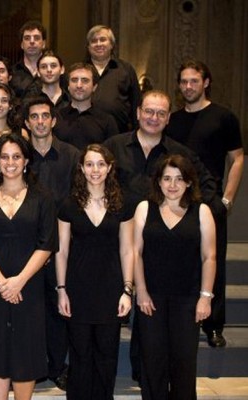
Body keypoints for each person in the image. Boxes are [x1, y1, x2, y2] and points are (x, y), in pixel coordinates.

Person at [103, 89, 218, 383]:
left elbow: (204, 185)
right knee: (118, 321)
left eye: (160, 113)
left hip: (163, 253)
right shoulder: (114, 146)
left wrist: (195, 213)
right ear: (138, 112)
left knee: (159, 337)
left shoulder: (180, 154)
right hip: (114, 245)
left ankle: (146, 378)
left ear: (168, 118)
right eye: (149, 111)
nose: (153, 118)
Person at [0, 134, 57, 400]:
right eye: (5, 157)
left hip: (28, 287)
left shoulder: (42, 198)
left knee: (25, 351)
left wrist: (19, 281)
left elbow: (46, 245)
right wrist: (2, 282)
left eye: (16, 156)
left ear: (26, 160)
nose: (11, 162)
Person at [165, 59, 244, 348]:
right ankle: (183, 320)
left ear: (206, 82)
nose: (188, 87)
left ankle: (213, 326)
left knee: (214, 262)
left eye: (194, 81)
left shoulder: (224, 117)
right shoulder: (172, 121)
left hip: (212, 200)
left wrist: (227, 199)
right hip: (178, 200)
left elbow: (237, 159)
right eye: (183, 82)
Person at [133, 154, 216, 399]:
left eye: (179, 179)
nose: (172, 185)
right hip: (151, 299)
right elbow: (135, 253)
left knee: (184, 362)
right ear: (158, 181)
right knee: (152, 361)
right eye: (167, 178)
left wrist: (206, 297)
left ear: (189, 182)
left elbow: (209, 257)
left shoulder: (202, 212)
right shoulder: (144, 208)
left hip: (188, 299)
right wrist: (142, 292)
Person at [55, 144, 134, 399]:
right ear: (81, 168)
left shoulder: (122, 204)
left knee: (106, 355)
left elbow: (127, 251)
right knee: (79, 356)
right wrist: (62, 290)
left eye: (101, 164)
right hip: (77, 290)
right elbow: (61, 251)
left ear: (110, 167)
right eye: (89, 164)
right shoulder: (68, 205)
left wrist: (127, 290)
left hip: (111, 291)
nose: (95, 170)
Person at [24, 97, 79, 390]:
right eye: (34, 117)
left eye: (46, 116)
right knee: (29, 313)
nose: (41, 121)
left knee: (60, 311)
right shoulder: (18, 156)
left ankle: (58, 367)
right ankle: (29, 367)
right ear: (26, 123)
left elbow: (78, 200)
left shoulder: (72, 156)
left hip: (62, 249)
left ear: (53, 120)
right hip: (26, 249)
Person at [85, 25, 141, 133]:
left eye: (103, 40)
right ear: (88, 47)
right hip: (86, 132)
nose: (98, 44)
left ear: (111, 44)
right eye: (94, 41)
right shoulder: (80, 70)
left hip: (120, 134)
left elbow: (136, 103)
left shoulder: (126, 69)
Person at [54, 63, 119, 150]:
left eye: (85, 80)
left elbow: (112, 155)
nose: (79, 85)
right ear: (68, 86)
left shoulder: (107, 121)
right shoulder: (56, 118)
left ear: (94, 87)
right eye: (74, 80)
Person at [10, 20, 47, 99]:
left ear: (43, 44)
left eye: (36, 38)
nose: (32, 41)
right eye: (27, 38)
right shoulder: (12, 72)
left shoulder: (54, 70)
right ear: (22, 45)